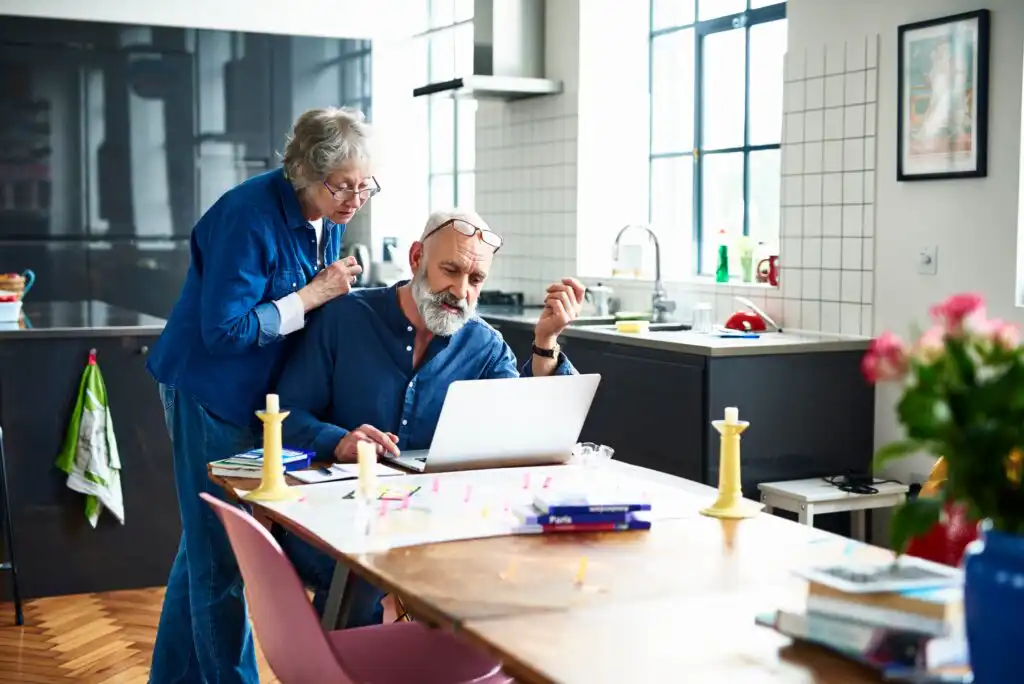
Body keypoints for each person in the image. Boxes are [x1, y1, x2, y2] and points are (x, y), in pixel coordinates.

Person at [145, 107, 378, 684]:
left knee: (203, 549)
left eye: (364, 184)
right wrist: (314, 293)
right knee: (220, 556)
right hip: (210, 389)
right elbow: (223, 332)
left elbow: (314, 298)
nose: (354, 199)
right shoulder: (246, 216)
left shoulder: (328, 212)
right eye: (342, 186)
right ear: (304, 173)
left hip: (258, 397)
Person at [273, 207, 584, 624]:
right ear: (417, 258)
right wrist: (338, 440)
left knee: (515, 567)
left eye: (476, 280)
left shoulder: (484, 346)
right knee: (363, 574)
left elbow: (529, 427)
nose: (460, 291)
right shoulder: (344, 318)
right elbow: (285, 415)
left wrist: (545, 342)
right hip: (334, 519)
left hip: (434, 522)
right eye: (450, 270)